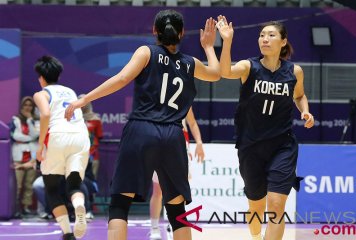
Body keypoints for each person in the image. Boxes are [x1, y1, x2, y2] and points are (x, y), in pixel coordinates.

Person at [65, 9, 220, 240]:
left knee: (120, 202)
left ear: (155, 31)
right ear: (182, 33)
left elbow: (121, 79)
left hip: (142, 130)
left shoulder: (146, 52)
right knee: (177, 209)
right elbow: (216, 74)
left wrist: (86, 99)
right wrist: (209, 46)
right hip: (174, 134)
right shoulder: (190, 63)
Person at [216, 16, 315, 240]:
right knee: (256, 206)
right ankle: (255, 236)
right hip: (251, 146)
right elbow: (224, 72)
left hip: (282, 145)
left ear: (283, 42)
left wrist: (305, 110)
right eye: (262, 35)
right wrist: (227, 42)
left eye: (271, 35)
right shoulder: (248, 67)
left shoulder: (294, 71)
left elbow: (299, 96)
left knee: (277, 204)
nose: (265, 39)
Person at [33, 56, 90, 240]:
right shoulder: (70, 91)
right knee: (74, 185)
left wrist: (40, 145)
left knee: (51, 189)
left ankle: (67, 233)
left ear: (41, 77)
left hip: (57, 136)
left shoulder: (41, 93)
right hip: (80, 136)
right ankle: (79, 205)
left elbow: (46, 114)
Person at [149, 107, 205, 240]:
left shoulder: (183, 94)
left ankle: (174, 223)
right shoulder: (156, 96)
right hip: (159, 140)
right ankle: (154, 227)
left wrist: (199, 143)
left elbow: (192, 122)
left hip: (180, 142)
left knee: (179, 191)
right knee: (158, 190)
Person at [10, 96, 39, 217]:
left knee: (29, 184)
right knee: (18, 184)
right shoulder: (15, 119)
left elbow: (36, 134)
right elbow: (16, 136)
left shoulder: (36, 120)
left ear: (33, 107)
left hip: (31, 156)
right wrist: (30, 138)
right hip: (18, 156)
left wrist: (29, 121)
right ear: (21, 106)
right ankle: (14, 207)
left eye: (30, 105)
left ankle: (26, 207)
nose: (27, 107)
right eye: (25, 105)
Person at [78, 94, 103, 179]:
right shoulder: (73, 119)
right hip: (77, 154)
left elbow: (100, 136)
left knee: (92, 180)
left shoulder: (95, 119)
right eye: (79, 103)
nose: (82, 106)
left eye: (84, 103)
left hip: (92, 154)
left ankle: (92, 193)